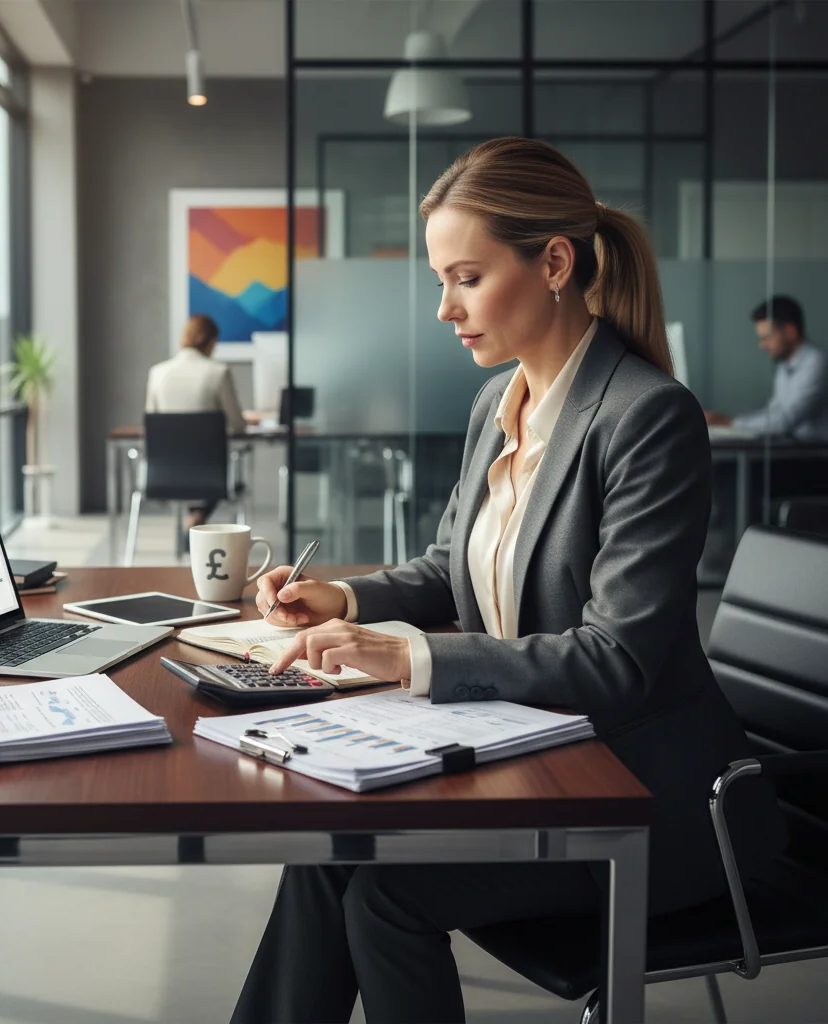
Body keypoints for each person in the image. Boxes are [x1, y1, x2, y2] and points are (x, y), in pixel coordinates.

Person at [232, 138, 785, 1024]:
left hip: (653, 799)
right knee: (328, 852)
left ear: (554, 264)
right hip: (538, 756)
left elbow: (614, 660)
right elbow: (451, 566)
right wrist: (345, 599)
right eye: (440, 281)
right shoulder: (498, 402)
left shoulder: (647, 418)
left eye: (467, 278)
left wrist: (408, 658)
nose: (445, 308)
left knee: (386, 894)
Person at [144, 314, 253, 530]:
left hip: (164, 474)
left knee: (190, 467)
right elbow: (238, 425)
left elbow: (151, 419)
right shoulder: (218, 373)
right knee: (212, 468)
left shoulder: (157, 373)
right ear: (211, 342)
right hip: (211, 476)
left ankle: (195, 517)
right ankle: (198, 516)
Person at [706, 295, 828, 440]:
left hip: (813, 451)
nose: (762, 346)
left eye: (767, 338)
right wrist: (730, 422)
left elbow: (785, 421)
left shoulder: (816, 363)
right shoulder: (785, 366)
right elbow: (773, 414)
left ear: (790, 332)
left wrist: (730, 422)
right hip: (791, 447)